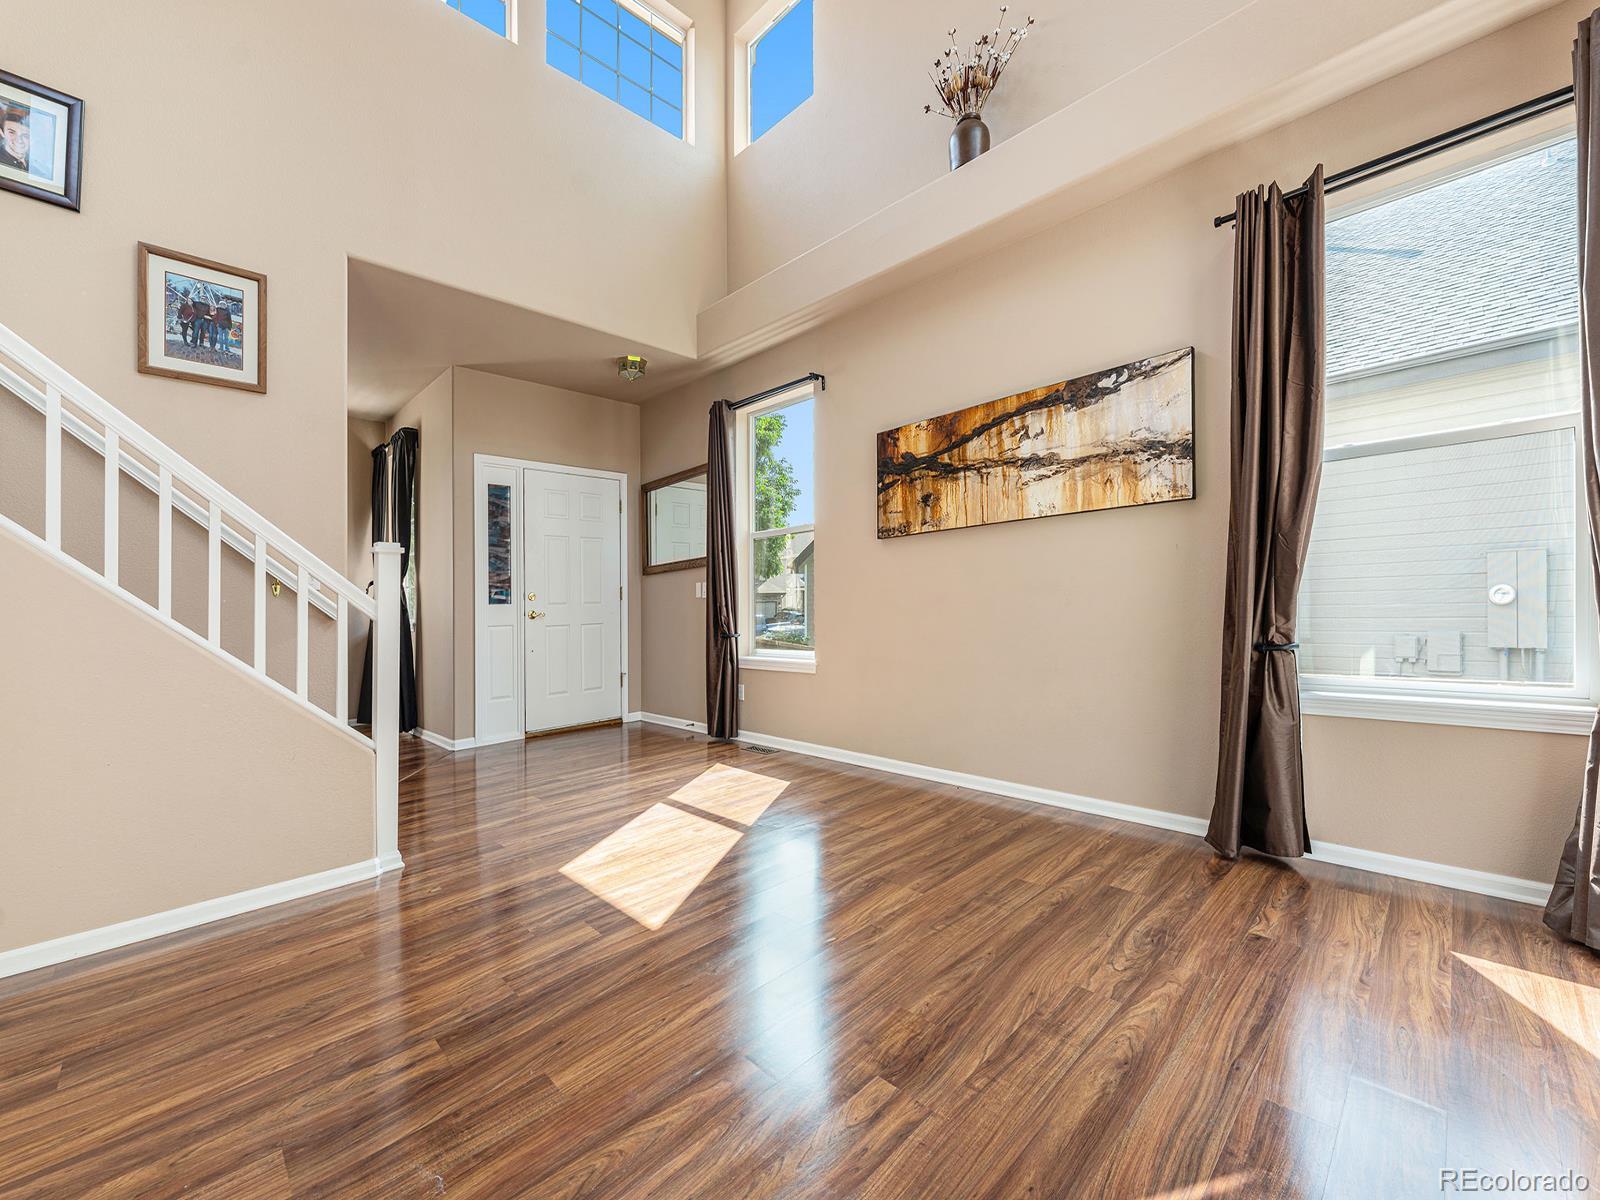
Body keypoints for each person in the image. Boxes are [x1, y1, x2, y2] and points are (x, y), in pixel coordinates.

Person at [0, 107, 29, 173]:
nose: (19, 140)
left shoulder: (35, 168)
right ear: (2, 132)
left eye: (25, 135)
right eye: (12, 132)